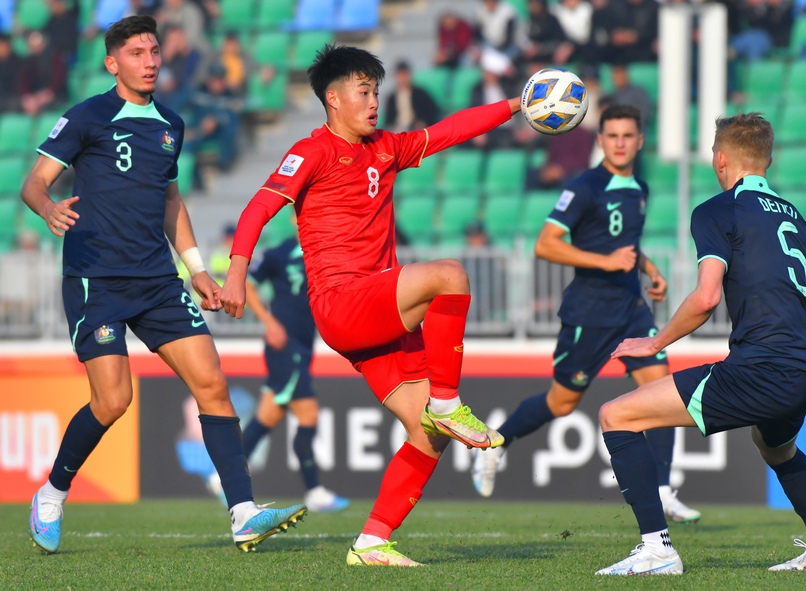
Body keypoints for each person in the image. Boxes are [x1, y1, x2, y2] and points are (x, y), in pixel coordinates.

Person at [218, 44, 516, 566]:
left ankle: (373, 541)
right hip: (343, 302)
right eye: (363, 91)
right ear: (333, 100)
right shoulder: (312, 151)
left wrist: (517, 104)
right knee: (450, 276)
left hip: (379, 312)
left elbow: (450, 131)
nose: (374, 101)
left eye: (376, 90)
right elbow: (256, 209)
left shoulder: (386, 147)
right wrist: (237, 275)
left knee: (426, 436)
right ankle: (449, 403)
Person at [21, 15, 305, 555]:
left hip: (157, 279)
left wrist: (197, 269)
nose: (150, 60)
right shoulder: (88, 116)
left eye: (154, 51)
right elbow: (34, 184)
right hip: (96, 280)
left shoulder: (170, 124)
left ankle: (243, 513)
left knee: (214, 385)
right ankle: (53, 493)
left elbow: (171, 201)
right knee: (113, 400)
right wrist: (49, 209)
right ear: (113, 63)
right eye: (137, 53)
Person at [595, 112, 806, 575]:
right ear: (768, 160)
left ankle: (657, 550)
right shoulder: (800, 223)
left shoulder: (717, 211)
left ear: (720, 159)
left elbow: (706, 297)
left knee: (617, 415)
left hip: (762, 368)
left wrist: (655, 343)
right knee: (777, 449)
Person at [471, 104, 700, 524]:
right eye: (612, 136)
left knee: (663, 392)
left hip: (631, 311)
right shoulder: (585, 187)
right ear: (600, 141)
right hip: (589, 315)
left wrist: (648, 269)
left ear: (639, 140)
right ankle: (496, 443)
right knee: (561, 403)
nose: (619, 143)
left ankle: (664, 489)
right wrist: (605, 262)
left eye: (627, 136)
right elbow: (546, 244)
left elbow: (624, 243)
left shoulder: (641, 189)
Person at [206, 228, 350, 513]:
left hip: (303, 346)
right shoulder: (280, 254)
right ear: (296, 218)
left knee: (266, 417)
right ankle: (315, 491)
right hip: (286, 346)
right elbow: (248, 284)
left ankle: (218, 476)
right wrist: (268, 322)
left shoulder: (324, 254)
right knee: (307, 413)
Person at [383, 60, 441, 132]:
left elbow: (433, 112)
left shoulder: (420, 94)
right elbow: (388, 121)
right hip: (398, 130)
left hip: (416, 128)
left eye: (404, 75)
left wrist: (423, 122)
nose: (402, 78)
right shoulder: (392, 98)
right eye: (400, 75)